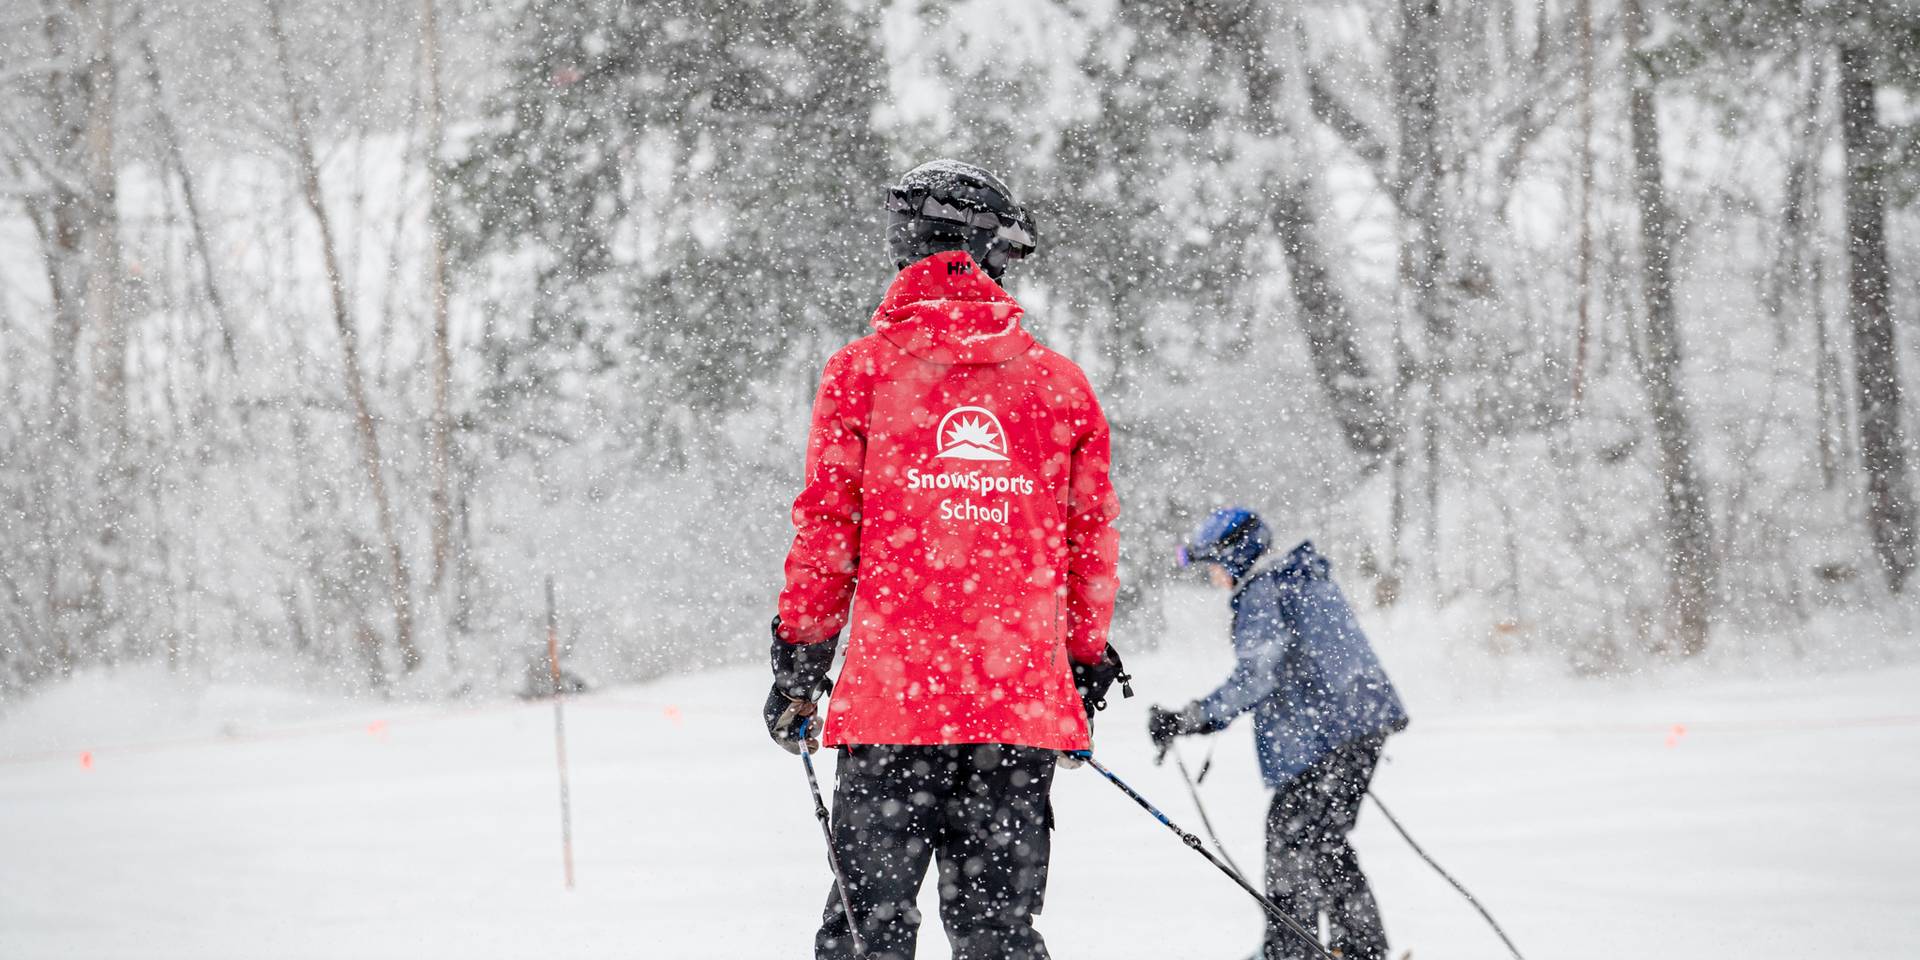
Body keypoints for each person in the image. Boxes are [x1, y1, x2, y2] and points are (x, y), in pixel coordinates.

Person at [762, 159, 1125, 960]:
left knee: (868, 935)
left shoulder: (860, 374)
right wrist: (1081, 656)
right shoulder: (1059, 387)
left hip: (895, 709)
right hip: (1016, 711)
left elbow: (828, 532)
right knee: (997, 936)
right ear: (987, 255)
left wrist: (799, 663)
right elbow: (1087, 546)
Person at [1147, 508, 1408, 960]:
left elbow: (1258, 675)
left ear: (1234, 556)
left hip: (1330, 732)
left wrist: (1192, 718)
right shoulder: (1297, 576)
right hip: (1355, 725)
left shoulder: (1265, 590)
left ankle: (1291, 952)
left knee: (1291, 836)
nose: (1212, 578)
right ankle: (1359, 948)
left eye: (1212, 566)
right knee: (1320, 839)